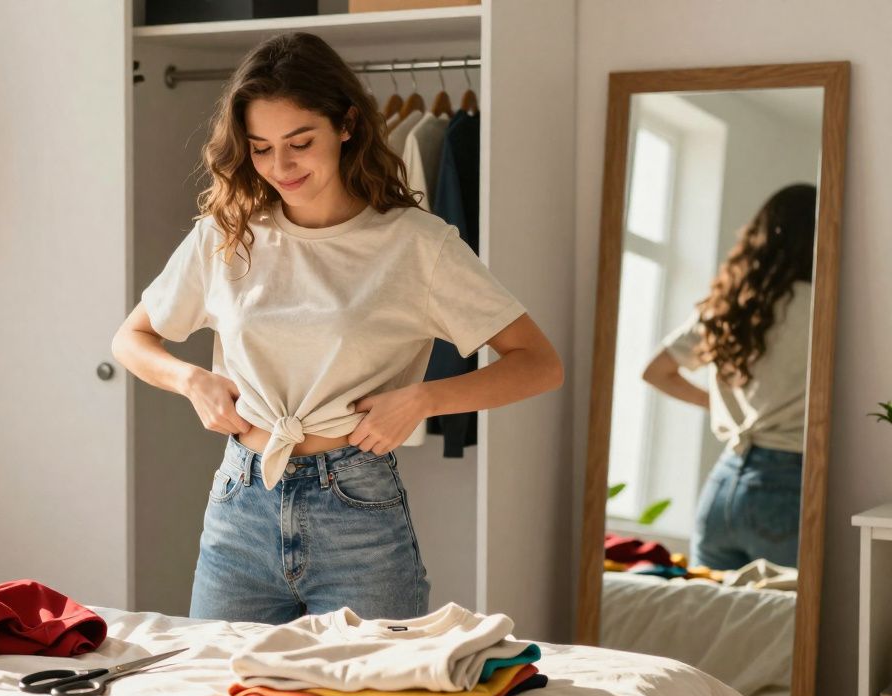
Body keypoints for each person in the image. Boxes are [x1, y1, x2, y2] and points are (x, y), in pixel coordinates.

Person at [110, 32, 563, 624]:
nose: (281, 166)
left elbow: (538, 362)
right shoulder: (226, 234)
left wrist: (423, 399)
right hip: (238, 506)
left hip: (357, 512)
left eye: (300, 142)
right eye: (262, 148)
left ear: (346, 125)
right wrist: (191, 380)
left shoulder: (416, 245)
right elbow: (132, 339)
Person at [642, 183, 817, 569]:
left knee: (713, 620)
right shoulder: (823, 308)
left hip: (723, 487)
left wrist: (722, 411)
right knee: (783, 625)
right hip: (788, 484)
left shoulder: (733, 304)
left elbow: (656, 372)